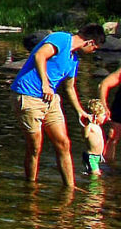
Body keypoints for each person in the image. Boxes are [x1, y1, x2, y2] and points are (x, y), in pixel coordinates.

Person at [9, 24, 104, 185]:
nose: (93, 52)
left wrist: (80, 111)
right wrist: (45, 84)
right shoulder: (61, 39)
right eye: (95, 48)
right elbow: (40, 55)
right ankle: (31, 187)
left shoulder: (73, 60)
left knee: (64, 143)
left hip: (50, 100)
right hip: (28, 95)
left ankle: (69, 187)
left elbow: (69, 87)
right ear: (90, 42)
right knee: (35, 147)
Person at [81, 98, 107, 177]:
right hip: (91, 156)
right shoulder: (90, 126)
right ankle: (94, 188)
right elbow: (85, 135)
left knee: (94, 173)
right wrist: (87, 124)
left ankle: (89, 180)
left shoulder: (98, 126)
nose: (105, 117)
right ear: (96, 116)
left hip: (97, 156)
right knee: (96, 175)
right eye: (103, 115)